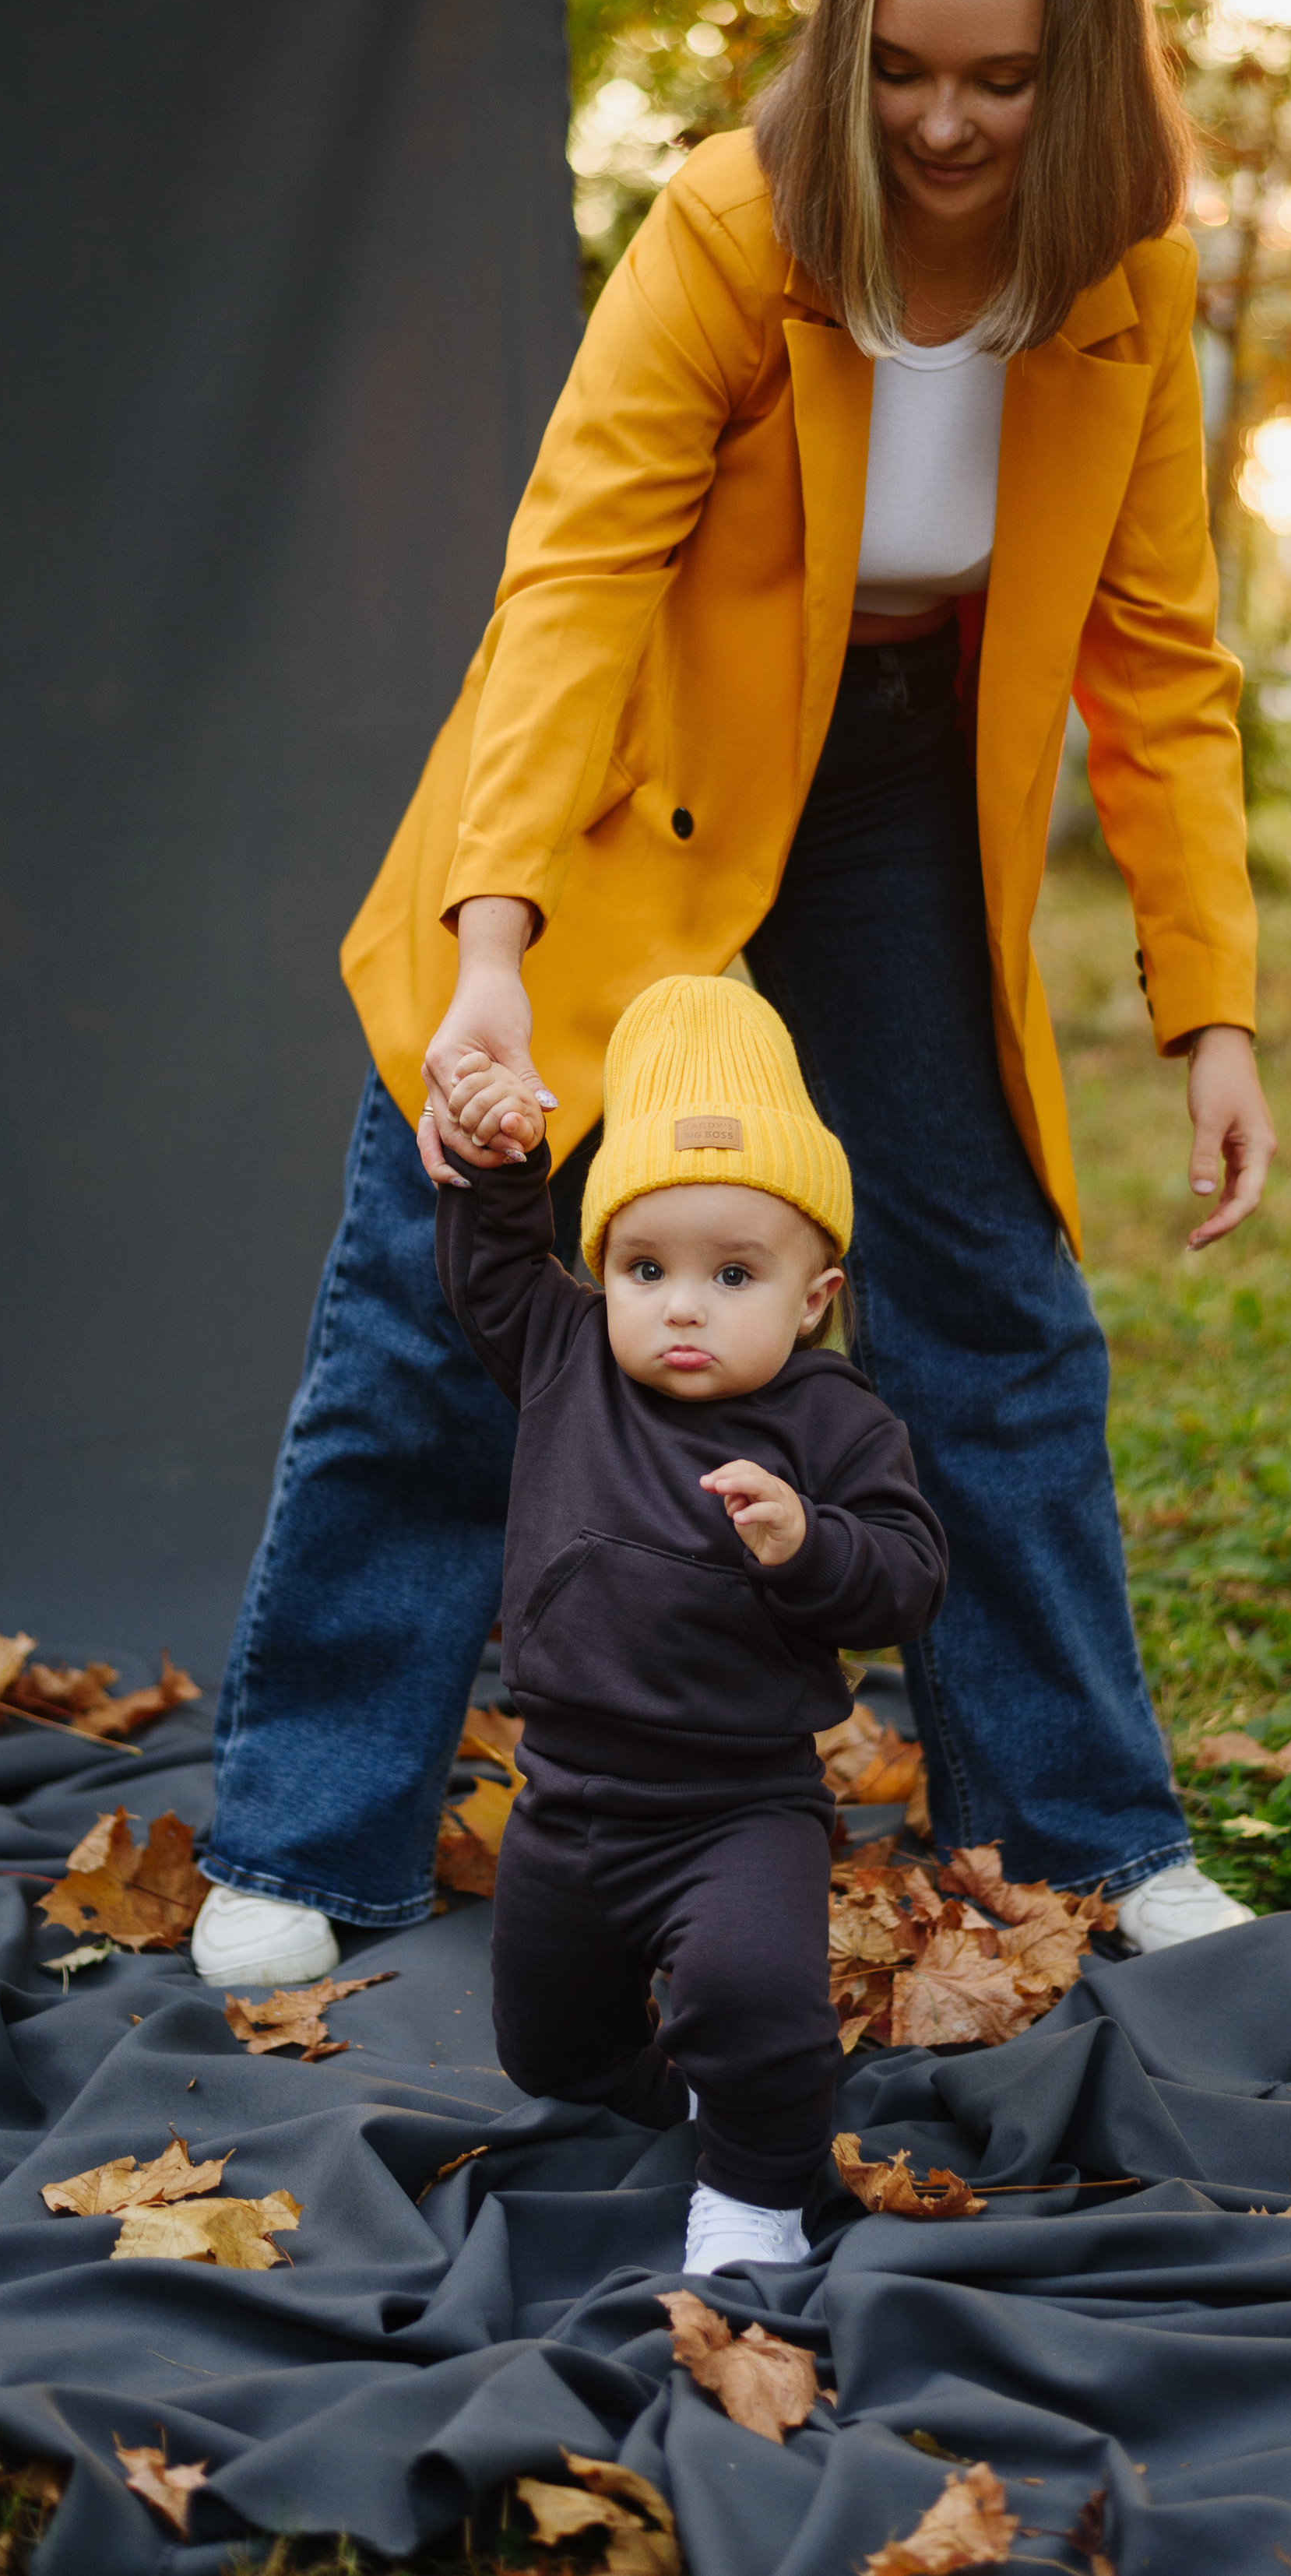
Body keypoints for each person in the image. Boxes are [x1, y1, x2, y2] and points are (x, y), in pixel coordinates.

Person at [192, 0, 1275, 1992]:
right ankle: (306, 1836)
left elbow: (1155, 655)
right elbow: (574, 583)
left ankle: (1076, 1826)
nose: (947, 121)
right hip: (632, 779)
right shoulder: (730, 224)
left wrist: (1211, 1011)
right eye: (902, 69)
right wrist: (491, 950)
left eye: (1000, 78)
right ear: (842, 44)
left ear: (1085, 74)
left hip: (889, 794)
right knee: (439, 1280)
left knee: (992, 1309)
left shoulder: (1125, 275)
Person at [434, 975, 946, 2274]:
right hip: (568, 1796)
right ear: (600, 1267)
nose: (680, 1304)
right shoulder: (565, 1356)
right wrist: (504, 1169)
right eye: (645, 1266)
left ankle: (757, 2191)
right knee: (549, 2046)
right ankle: (690, 2095)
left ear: (813, 1296)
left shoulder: (835, 1423)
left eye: (732, 1273)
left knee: (756, 1996)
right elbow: (496, 1267)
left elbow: (906, 1574)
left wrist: (806, 1542)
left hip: (737, 1800)